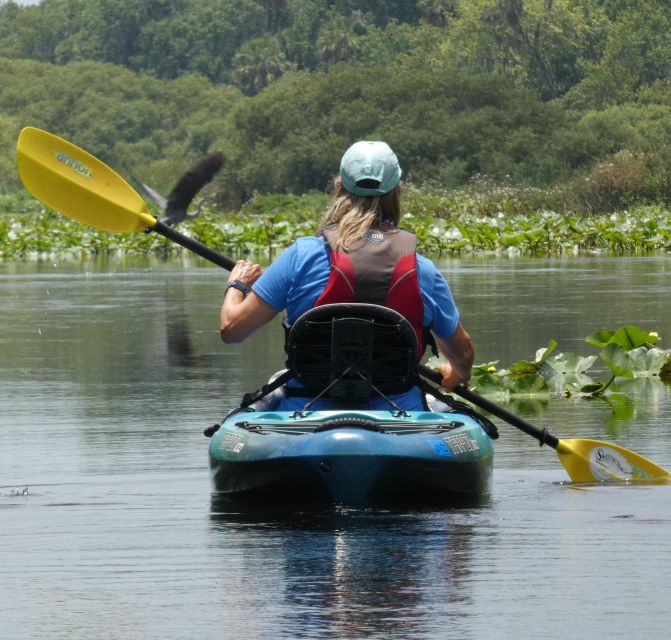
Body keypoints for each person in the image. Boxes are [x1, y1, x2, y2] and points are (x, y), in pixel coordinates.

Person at [219, 140, 474, 410]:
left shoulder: (300, 257)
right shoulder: (422, 270)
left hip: (307, 404)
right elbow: (463, 353)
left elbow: (232, 330)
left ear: (339, 187)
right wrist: (457, 375)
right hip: (396, 407)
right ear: (398, 190)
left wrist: (237, 284)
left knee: (274, 386)